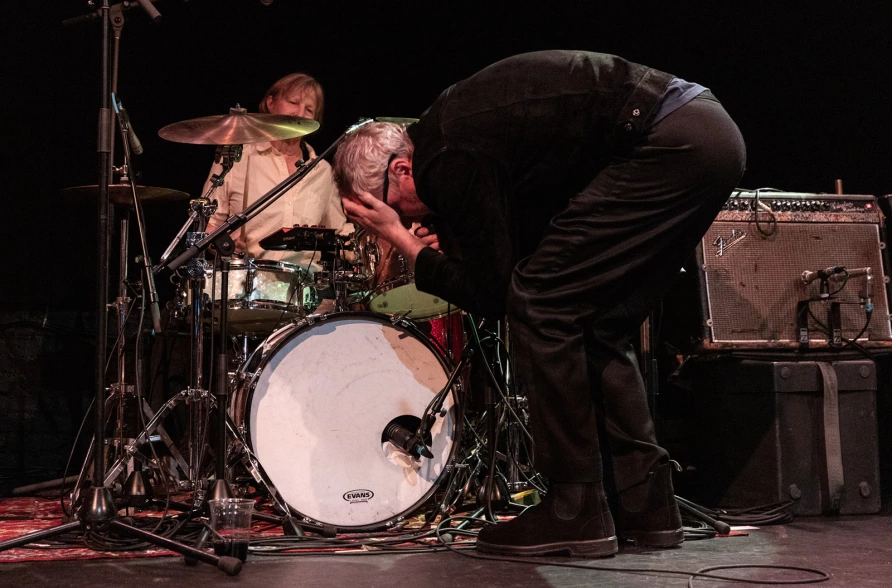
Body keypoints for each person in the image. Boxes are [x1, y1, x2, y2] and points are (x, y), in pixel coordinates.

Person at [333, 50, 746, 557]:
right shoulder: (457, 136)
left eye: (384, 211)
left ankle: (575, 508)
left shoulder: (444, 155)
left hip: (667, 142)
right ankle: (645, 504)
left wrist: (407, 243)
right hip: (704, 135)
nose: (396, 222)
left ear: (402, 171)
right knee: (595, 323)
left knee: (542, 305)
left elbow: (498, 295)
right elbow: (517, 254)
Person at [205, 72, 352, 278]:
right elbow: (208, 223)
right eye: (293, 102)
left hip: (304, 292)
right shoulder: (238, 157)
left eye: (309, 109)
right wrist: (223, 244)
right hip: (245, 285)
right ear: (270, 103)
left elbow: (339, 235)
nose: (300, 113)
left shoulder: (322, 171)